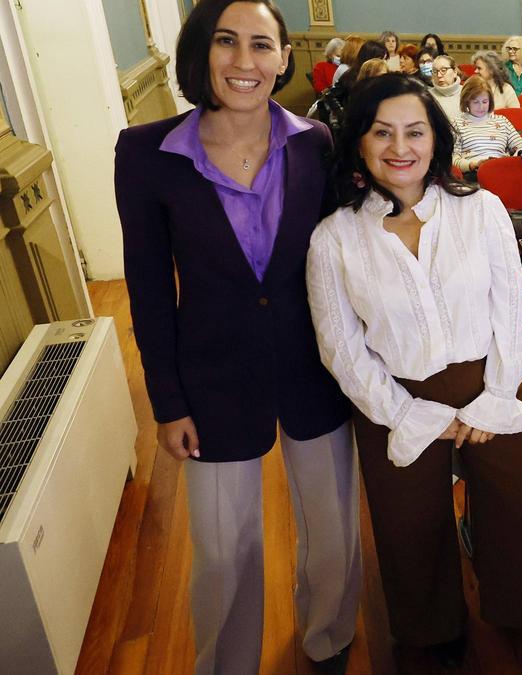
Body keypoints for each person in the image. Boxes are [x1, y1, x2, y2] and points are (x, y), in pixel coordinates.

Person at [113, 1, 360, 673]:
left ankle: (330, 637)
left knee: (333, 529)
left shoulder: (315, 143)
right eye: (226, 42)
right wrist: (167, 401)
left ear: (284, 57)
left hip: (314, 368)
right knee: (223, 552)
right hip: (213, 376)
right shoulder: (146, 153)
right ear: (201, 51)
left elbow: (342, 256)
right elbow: (149, 287)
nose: (244, 61)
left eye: (261, 44)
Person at [307, 73, 522, 668]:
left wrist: (496, 395)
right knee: (409, 528)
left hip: (489, 380)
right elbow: (341, 348)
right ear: (359, 142)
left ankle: (518, 610)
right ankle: (431, 630)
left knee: (518, 503)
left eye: (415, 132)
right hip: (394, 397)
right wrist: (406, 414)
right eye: (382, 132)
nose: (401, 147)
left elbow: (509, 307)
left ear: (436, 139)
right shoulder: (335, 238)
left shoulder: (481, 210)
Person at [452, 76, 522, 177]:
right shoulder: (457, 123)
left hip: (503, 171)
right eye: (476, 102)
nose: (481, 107)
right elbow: (453, 159)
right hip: (473, 174)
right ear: (466, 101)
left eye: (485, 102)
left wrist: (512, 161)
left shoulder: (502, 121)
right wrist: (472, 165)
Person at [429, 54, 463, 123]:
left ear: (455, 72)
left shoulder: (467, 93)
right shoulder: (428, 96)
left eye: (443, 70)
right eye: (435, 71)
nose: (439, 75)